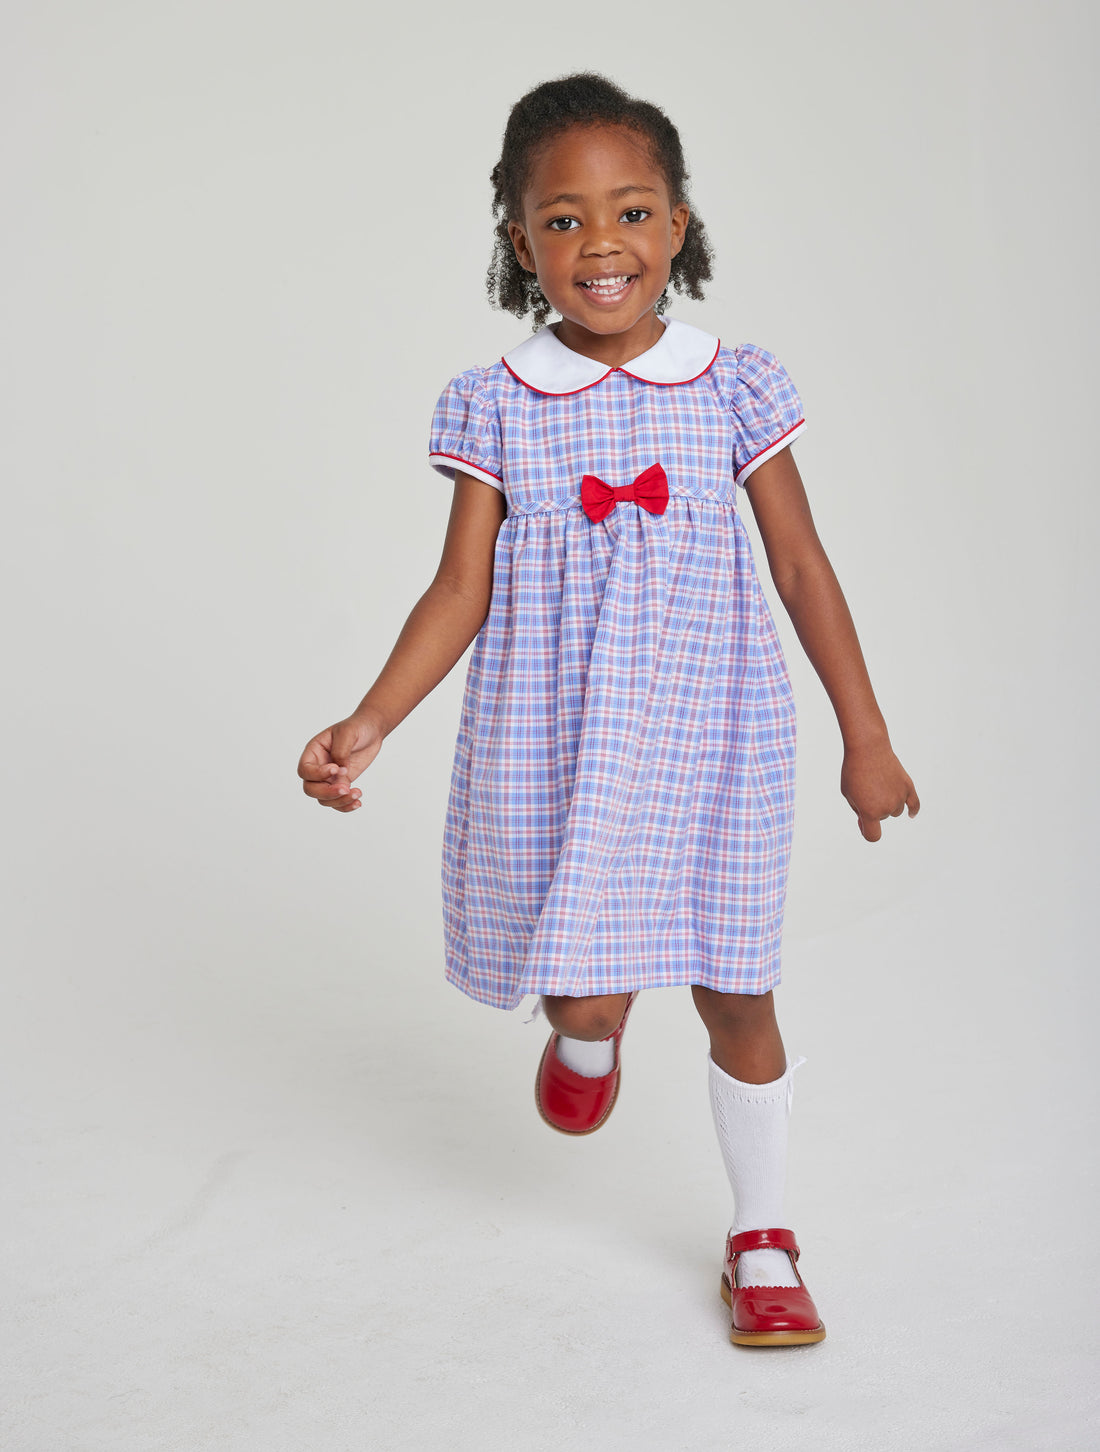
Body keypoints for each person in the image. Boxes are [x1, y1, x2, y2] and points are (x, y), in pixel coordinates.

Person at [297, 73, 919, 1348]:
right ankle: (584, 1040)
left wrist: (864, 732)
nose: (601, 246)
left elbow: (801, 565)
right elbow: (458, 586)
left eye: (630, 212)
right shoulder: (498, 403)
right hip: (558, 740)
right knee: (583, 998)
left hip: (714, 737)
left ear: (677, 226)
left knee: (735, 986)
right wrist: (370, 719)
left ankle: (760, 1236)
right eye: (564, 221)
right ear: (519, 243)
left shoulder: (729, 385)